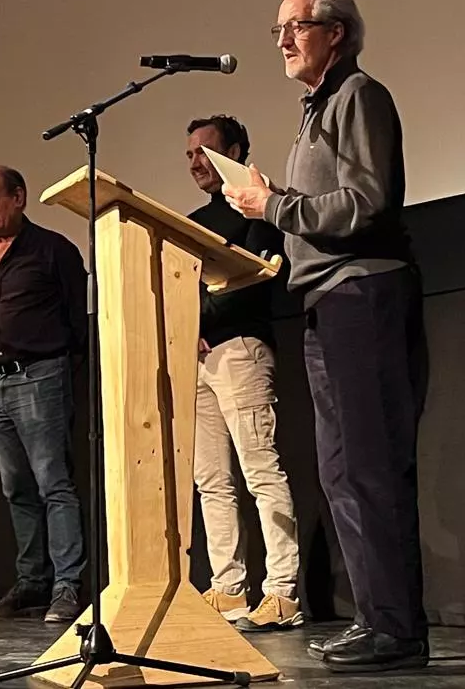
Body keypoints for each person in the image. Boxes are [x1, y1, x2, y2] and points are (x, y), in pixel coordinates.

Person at [223, 0, 429, 672]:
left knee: (372, 469)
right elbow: (319, 208)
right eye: (278, 28)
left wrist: (273, 205)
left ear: (334, 32)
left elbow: (368, 202)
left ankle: (397, 629)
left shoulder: (358, 97)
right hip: (324, 302)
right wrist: (268, 206)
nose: (283, 39)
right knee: (342, 473)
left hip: (363, 296)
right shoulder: (316, 110)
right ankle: (378, 621)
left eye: (296, 25)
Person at [184, 115, 303, 632]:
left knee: (260, 470)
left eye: (205, 152)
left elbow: (259, 275)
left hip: (241, 351)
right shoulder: (188, 221)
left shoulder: (256, 210)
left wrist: (206, 315)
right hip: (198, 356)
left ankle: (283, 592)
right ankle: (228, 589)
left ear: (234, 152)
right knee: (211, 479)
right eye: (188, 154)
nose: (195, 162)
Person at [0, 166, 88, 624]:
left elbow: (78, 322)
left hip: (41, 377)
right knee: (16, 488)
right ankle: (32, 583)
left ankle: (66, 586)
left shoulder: (54, 250)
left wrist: (56, 369)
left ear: (19, 198)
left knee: (54, 483)